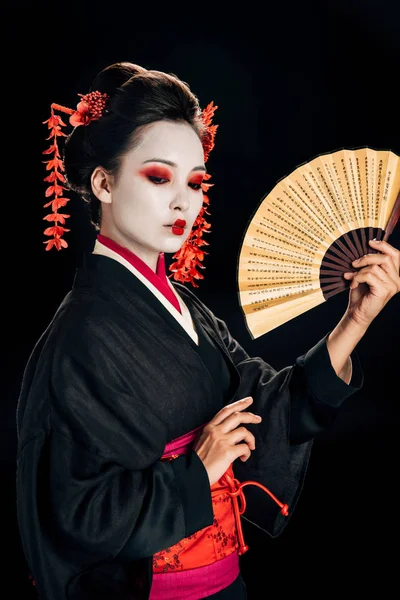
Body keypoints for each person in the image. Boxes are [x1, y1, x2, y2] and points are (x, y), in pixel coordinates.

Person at [15, 60, 399, 600]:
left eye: (194, 182)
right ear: (103, 182)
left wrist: (355, 320)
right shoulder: (82, 337)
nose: (183, 201)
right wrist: (199, 469)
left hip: (225, 583)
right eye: (157, 176)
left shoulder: (185, 308)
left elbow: (265, 405)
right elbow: (76, 514)